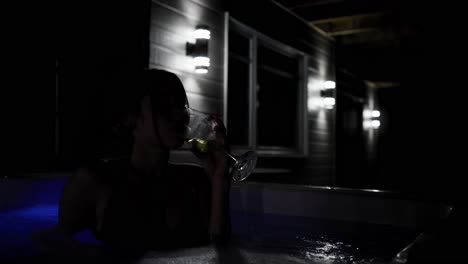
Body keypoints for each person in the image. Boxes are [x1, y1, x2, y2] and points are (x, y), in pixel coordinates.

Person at [58, 69, 231, 252]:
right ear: (131, 118)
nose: (179, 114)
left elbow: (222, 253)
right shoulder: (93, 181)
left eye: (181, 105)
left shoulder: (195, 180)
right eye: (164, 105)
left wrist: (219, 177)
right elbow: (59, 252)